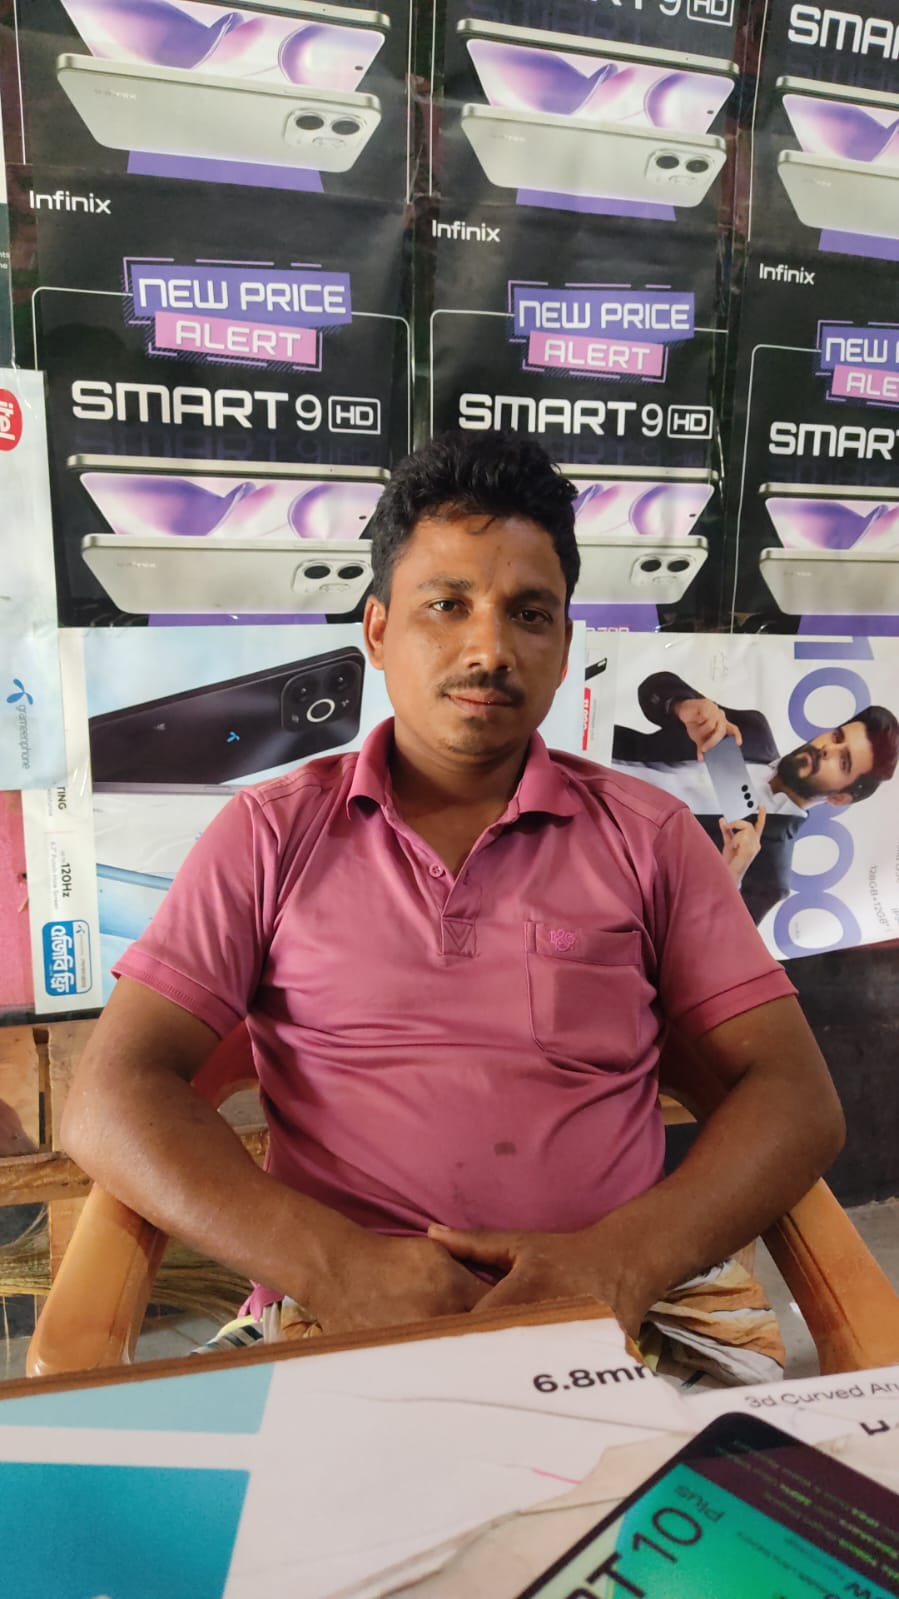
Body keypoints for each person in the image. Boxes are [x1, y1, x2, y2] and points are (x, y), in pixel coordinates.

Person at [62, 432, 844, 1376]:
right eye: (446, 604)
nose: (489, 648)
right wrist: (343, 1268)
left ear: (564, 647)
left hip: (630, 1310)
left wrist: (620, 1262)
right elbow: (110, 1098)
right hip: (339, 1311)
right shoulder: (268, 834)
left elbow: (796, 1098)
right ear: (377, 630)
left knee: (743, 1478)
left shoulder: (651, 837)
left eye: (529, 614)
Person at [612, 672, 899, 925]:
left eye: (843, 761)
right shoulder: (752, 732)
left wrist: (728, 878)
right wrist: (683, 705)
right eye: (837, 737)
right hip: (591, 751)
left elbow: (701, 953)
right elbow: (653, 690)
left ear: (840, 799)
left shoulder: (769, 874)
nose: (827, 749)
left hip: (597, 853)